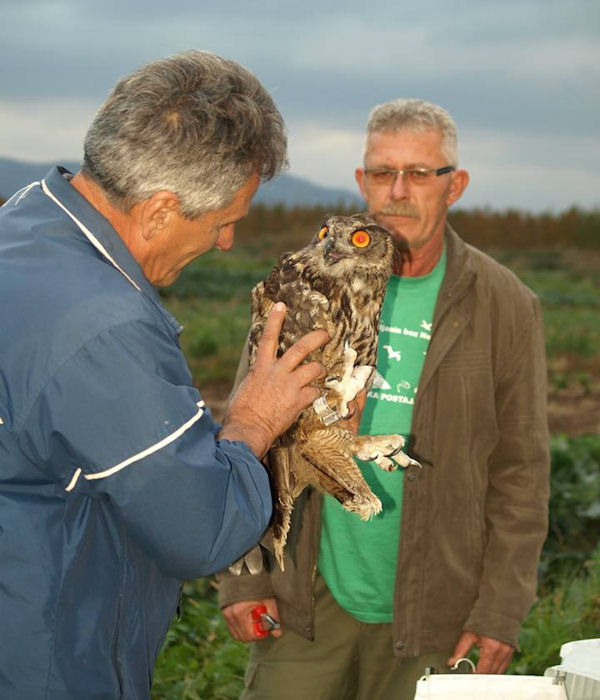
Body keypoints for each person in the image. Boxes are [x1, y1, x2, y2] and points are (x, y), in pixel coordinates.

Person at [0, 50, 330, 700]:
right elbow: (200, 529)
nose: (226, 242)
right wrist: (252, 421)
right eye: (224, 222)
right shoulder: (105, 328)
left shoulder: (23, 223)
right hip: (47, 662)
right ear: (159, 211)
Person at [219, 98, 550, 699]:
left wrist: (500, 609)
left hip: (437, 607)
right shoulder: (302, 285)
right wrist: (243, 578)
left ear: (455, 185)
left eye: (419, 173)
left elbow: (520, 473)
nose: (398, 191)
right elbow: (248, 428)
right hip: (305, 595)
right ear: (361, 180)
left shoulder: (504, 304)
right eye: (382, 172)